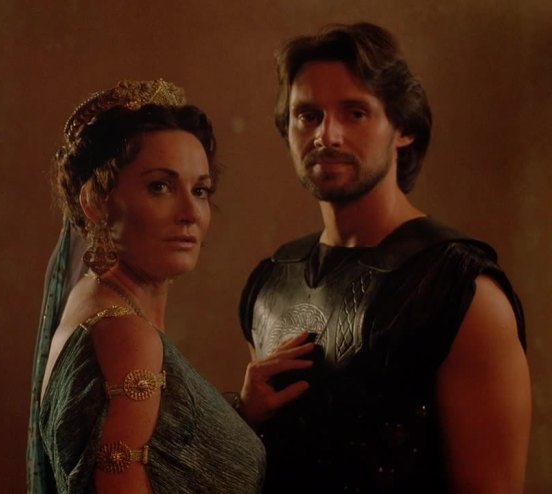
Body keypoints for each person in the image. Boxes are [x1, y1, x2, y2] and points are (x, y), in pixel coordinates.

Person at [236, 23, 531, 493]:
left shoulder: (461, 291)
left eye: (354, 113)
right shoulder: (272, 283)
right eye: (307, 115)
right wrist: (242, 416)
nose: (326, 135)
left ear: (404, 129)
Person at [27, 79, 265, 493]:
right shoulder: (125, 333)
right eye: (160, 186)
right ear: (96, 201)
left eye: (200, 190)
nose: (191, 212)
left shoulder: (94, 298)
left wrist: (239, 411)